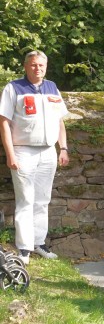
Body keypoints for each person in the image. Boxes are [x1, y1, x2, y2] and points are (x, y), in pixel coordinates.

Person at [0, 50, 69, 265]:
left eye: (41, 65)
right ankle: (24, 247)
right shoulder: (14, 88)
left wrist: (63, 148)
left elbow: (59, 121)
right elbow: (3, 122)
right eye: (33, 65)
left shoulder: (52, 87)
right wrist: (10, 153)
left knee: (42, 200)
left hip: (48, 150)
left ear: (46, 67)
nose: (37, 68)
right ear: (25, 66)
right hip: (23, 150)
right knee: (25, 200)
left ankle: (39, 243)